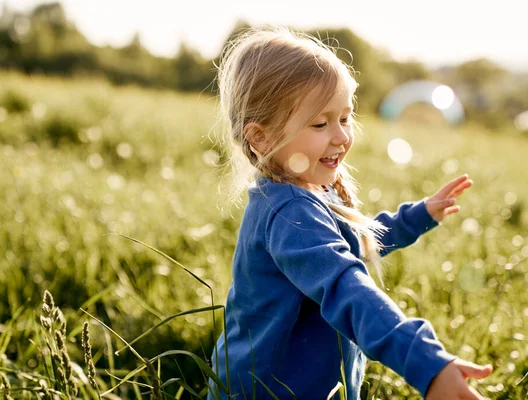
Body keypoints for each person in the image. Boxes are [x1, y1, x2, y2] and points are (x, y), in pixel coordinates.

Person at [206, 25, 492, 400]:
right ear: (261, 137)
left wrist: (416, 216)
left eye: (345, 117)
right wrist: (424, 361)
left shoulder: (303, 193)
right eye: (320, 123)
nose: (341, 136)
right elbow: (347, 288)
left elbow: (353, 242)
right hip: (270, 391)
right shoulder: (291, 212)